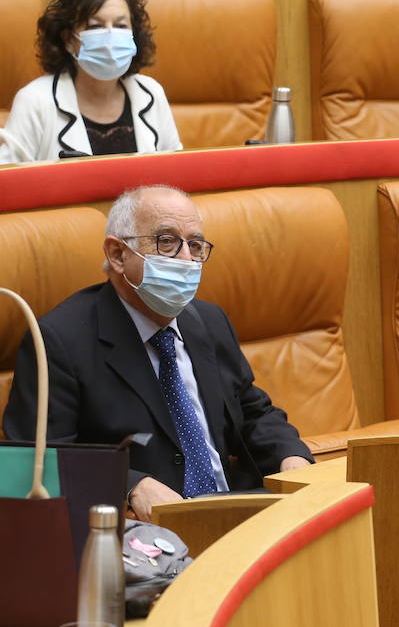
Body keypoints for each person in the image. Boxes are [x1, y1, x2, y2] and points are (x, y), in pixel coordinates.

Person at [4, 185, 311, 521]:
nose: (185, 259)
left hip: (233, 510)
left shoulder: (208, 321)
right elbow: (38, 461)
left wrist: (291, 457)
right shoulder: (59, 340)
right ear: (118, 255)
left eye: (195, 245)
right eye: (166, 242)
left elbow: (252, 412)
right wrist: (130, 485)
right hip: (145, 532)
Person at [0, 0, 181, 164]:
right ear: (69, 40)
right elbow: (7, 181)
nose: (111, 35)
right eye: (95, 26)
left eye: (120, 25)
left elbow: (179, 171)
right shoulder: (34, 101)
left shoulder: (151, 93)